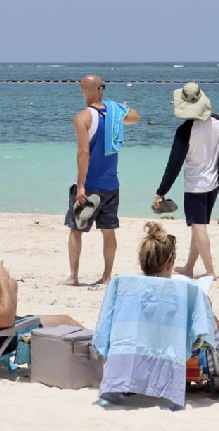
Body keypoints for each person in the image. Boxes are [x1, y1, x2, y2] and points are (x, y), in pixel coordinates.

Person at [62, 75, 140, 286]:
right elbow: (135, 117)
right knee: (108, 231)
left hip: (90, 185)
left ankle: (73, 277)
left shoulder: (82, 118)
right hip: (111, 185)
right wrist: (121, 108)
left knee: (76, 230)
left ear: (81, 91)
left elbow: (83, 153)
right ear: (101, 90)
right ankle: (107, 277)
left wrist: (80, 186)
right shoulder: (114, 114)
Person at [152, 82, 219, 280]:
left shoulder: (185, 131)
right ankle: (189, 267)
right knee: (199, 226)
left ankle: (211, 272)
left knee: (198, 226)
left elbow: (174, 165)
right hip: (214, 184)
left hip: (195, 186)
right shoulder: (218, 122)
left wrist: (161, 191)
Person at [138, 222, 219, 351]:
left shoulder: (129, 293)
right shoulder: (187, 292)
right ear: (170, 262)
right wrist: (208, 309)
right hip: (184, 364)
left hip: (142, 360)